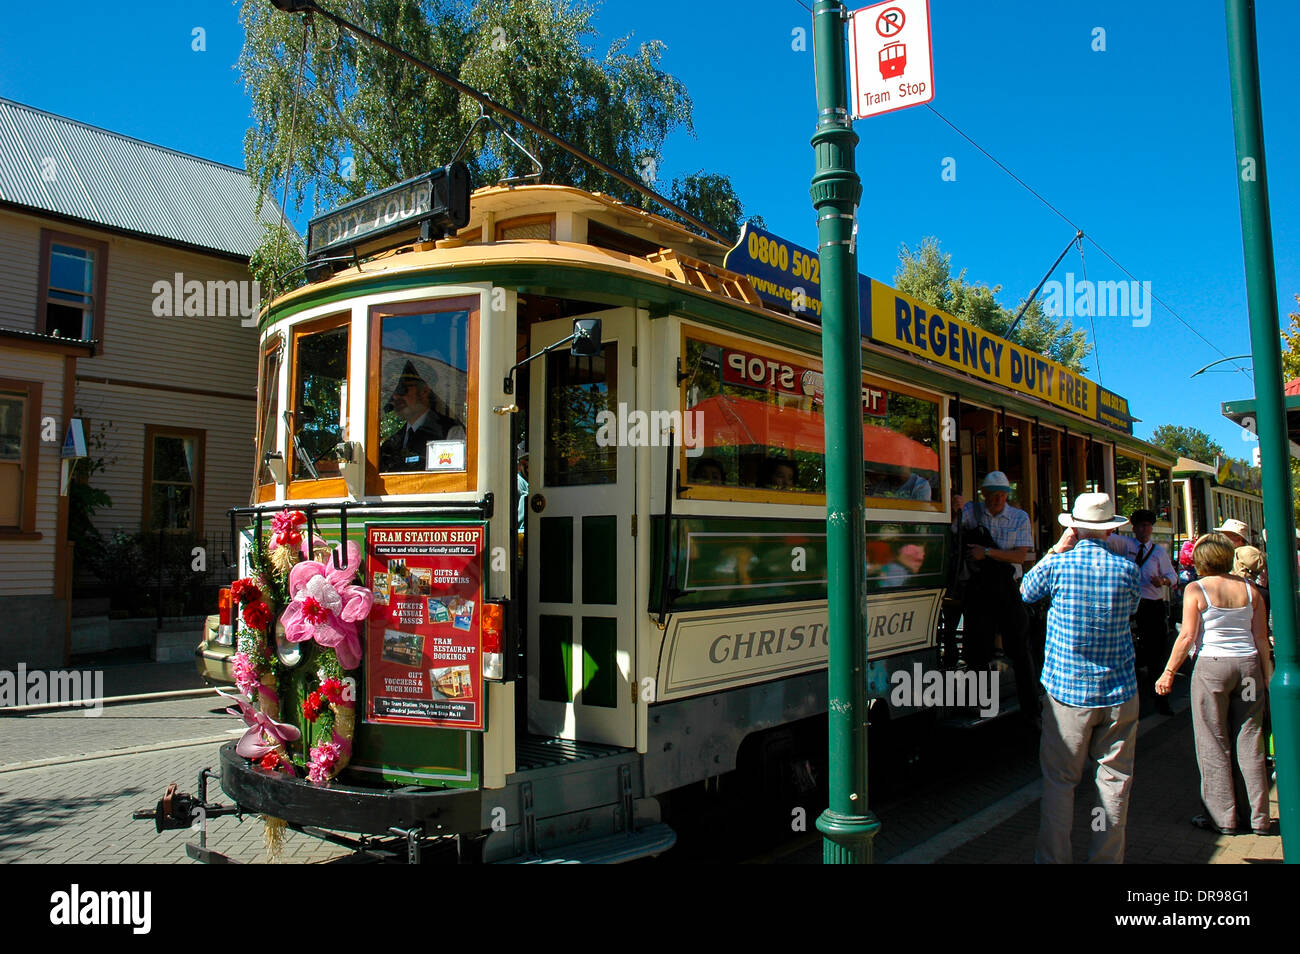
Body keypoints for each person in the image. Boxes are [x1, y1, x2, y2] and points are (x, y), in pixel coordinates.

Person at [1021, 492, 1141, 863]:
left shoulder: (1059, 566)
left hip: (1067, 695)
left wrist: (1057, 548)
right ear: (1110, 529)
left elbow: (1026, 591)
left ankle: (1054, 859)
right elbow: (1132, 610)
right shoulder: (1128, 570)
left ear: (1073, 526)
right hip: (1119, 691)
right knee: (1113, 786)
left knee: (1060, 784)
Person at [1156, 533, 1273, 836]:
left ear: (1200, 562)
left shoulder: (1197, 589)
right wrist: (1268, 675)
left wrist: (1169, 672)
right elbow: (1260, 637)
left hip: (1212, 669)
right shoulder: (1251, 590)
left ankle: (1223, 818)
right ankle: (1258, 817)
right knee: (1250, 740)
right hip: (1248, 668)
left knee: (1213, 742)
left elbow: (1187, 637)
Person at [959, 471, 1035, 721]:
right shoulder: (971, 511)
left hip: (1008, 588)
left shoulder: (1019, 517)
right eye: (993, 495)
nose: (998, 499)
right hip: (980, 587)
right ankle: (981, 705)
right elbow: (954, 527)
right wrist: (954, 507)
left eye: (1002, 495)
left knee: (1020, 649)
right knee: (976, 650)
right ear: (984, 494)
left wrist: (987, 552)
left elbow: (1019, 556)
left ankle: (1031, 708)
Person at [1117, 509, 1179, 715]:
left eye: (1148, 526)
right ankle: (1132, 699)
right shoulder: (1126, 546)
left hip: (1151, 605)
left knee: (1157, 652)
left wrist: (1163, 581)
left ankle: (1161, 700)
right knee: (1130, 651)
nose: (1144, 530)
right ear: (1134, 528)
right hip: (1129, 606)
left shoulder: (1159, 553)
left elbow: (1172, 575)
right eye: (1141, 526)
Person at [378, 361, 466, 472]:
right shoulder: (393, 441)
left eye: (402, 389)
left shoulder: (451, 432)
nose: (395, 396)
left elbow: (453, 481)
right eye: (394, 391)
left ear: (424, 392)